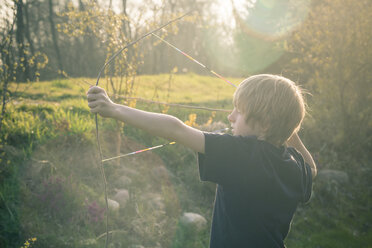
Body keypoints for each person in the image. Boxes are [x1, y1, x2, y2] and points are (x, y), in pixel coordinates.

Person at [87, 74, 317, 248]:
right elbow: (312, 169)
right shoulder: (293, 165)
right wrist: (289, 130)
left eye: (239, 111)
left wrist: (114, 109)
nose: (230, 116)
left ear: (265, 123)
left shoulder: (243, 154)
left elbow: (176, 129)